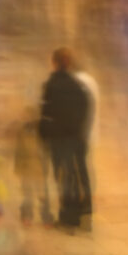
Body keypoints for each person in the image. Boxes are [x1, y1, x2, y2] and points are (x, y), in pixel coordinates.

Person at [36, 48, 94, 231]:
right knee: (74, 175)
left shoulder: (51, 85)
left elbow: (46, 114)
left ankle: (67, 216)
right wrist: (79, 132)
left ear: (54, 62)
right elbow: (85, 109)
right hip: (75, 138)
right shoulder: (77, 85)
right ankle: (79, 213)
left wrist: (44, 136)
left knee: (62, 177)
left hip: (58, 140)